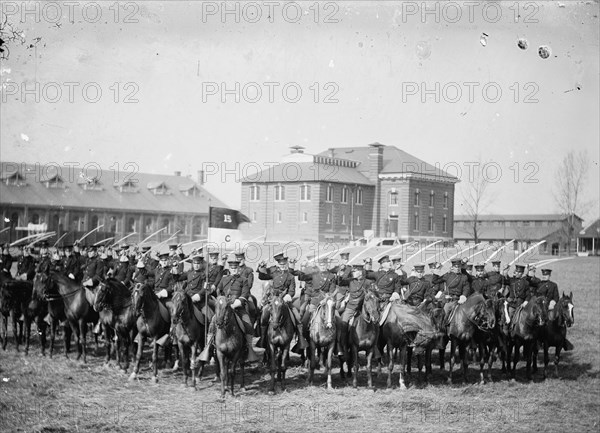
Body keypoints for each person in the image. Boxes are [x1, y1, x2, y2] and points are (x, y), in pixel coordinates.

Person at [199, 256, 259, 362]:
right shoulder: (224, 279)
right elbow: (218, 290)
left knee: (248, 324)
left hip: (238, 308)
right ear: (229, 268)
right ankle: (209, 347)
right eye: (232, 268)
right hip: (224, 308)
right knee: (213, 322)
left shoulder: (243, 280)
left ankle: (249, 349)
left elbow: (245, 293)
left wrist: (238, 301)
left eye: (235, 267)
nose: (234, 269)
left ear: (238, 268)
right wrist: (209, 290)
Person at [257, 253, 308, 351]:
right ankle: (263, 338)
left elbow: (292, 290)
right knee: (264, 314)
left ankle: (300, 340)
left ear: (287, 263)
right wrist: (261, 267)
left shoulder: (290, 276)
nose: (283, 265)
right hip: (273, 299)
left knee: (297, 317)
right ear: (278, 264)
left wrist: (288, 296)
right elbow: (262, 276)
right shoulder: (273, 272)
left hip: (285, 300)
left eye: (284, 263)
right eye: (281, 264)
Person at [432, 258, 471, 326]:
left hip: (459, 300)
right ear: (452, 267)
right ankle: (442, 329)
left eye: (459, 266)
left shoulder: (464, 277)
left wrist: (464, 296)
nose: (458, 268)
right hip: (450, 300)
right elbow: (435, 281)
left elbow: (466, 288)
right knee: (445, 313)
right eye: (456, 267)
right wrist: (436, 271)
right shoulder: (448, 275)